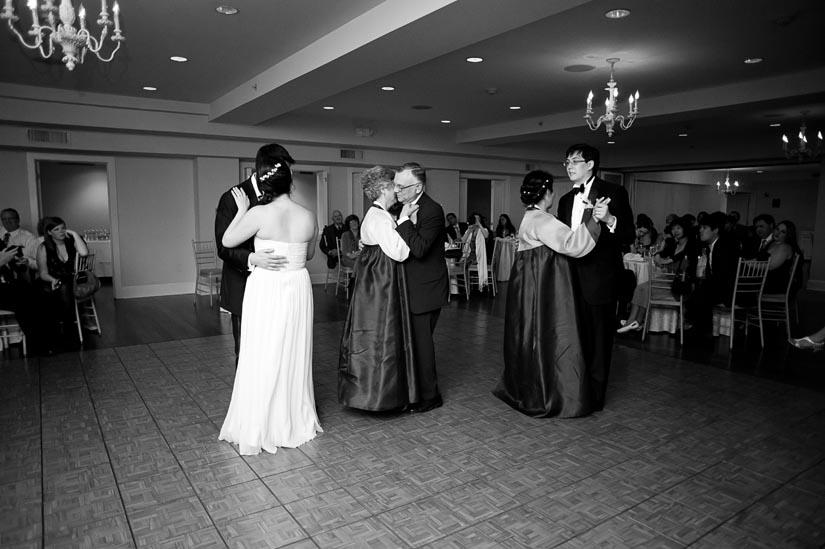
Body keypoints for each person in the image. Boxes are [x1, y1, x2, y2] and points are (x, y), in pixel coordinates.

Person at [218, 154, 322, 455]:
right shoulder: (308, 215)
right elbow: (310, 254)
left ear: (265, 185)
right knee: (292, 349)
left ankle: (261, 421)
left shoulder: (258, 214)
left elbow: (227, 241)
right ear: (289, 183)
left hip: (266, 285)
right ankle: (291, 418)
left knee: (263, 349)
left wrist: (241, 211)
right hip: (297, 285)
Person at [493, 171, 608, 417]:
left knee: (529, 335)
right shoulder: (544, 221)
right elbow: (573, 246)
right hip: (543, 289)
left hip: (529, 288)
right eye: (552, 190)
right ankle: (551, 392)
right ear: (547, 193)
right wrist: (594, 219)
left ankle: (526, 386)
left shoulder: (530, 217)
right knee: (551, 334)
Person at [557, 143, 634, 411]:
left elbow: (628, 235)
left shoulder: (613, 192)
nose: (569, 165)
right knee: (573, 337)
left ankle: (595, 397)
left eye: (575, 161)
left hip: (600, 280)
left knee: (599, 341)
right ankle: (573, 390)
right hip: (570, 279)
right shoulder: (566, 200)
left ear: (590, 165)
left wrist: (610, 219)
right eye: (566, 161)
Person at [339, 167, 417, 411]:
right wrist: (404, 220)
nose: (397, 190)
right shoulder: (381, 218)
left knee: (373, 333)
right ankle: (380, 395)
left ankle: (370, 391)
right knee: (384, 333)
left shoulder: (373, 215)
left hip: (373, 282)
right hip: (382, 283)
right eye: (394, 185)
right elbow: (401, 253)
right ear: (383, 188)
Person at [215, 144, 291, 363]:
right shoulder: (232, 197)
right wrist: (252, 259)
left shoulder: (280, 196)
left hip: (276, 285)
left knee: (275, 348)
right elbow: (223, 247)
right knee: (246, 350)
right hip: (242, 284)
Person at [394, 162, 449, 413]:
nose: (396, 190)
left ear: (417, 187)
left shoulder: (432, 210)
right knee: (413, 343)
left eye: (401, 186)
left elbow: (419, 249)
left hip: (427, 288)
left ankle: (430, 396)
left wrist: (404, 221)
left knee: (422, 345)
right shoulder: (401, 207)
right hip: (410, 286)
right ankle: (414, 391)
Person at [618, 216, 697, 333]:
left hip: (680, 285)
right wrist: (659, 256)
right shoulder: (674, 244)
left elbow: (681, 261)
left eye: (678, 228)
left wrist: (667, 260)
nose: (675, 231)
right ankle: (633, 322)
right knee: (640, 288)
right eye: (673, 228)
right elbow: (659, 254)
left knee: (645, 289)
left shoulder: (691, 245)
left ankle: (636, 322)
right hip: (668, 280)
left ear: (685, 229)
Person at [36, 216, 89, 342]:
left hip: (72, 279)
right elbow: (43, 273)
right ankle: (52, 331)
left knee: (64, 287)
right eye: (56, 229)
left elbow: (84, 253)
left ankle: (67, 329)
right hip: (51, 278)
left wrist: (74, 234)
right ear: (49, 232)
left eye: (63, 228)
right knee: (44, 290)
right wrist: (52, 280)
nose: (61, 231)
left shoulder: (72, 241)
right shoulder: (43, 247)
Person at [687, 211, 740, 333]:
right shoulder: (712, 245)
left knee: (701, 293)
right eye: (700, 227)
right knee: (698, 291)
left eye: (705, 228)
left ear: (715, 230)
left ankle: (702, 332)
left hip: (731, 290)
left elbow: (723, 276)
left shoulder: (723, 247)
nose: (700, 230)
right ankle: (700, 331)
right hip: (720, 286)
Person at [762, 220, 802, 294]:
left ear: (788, 235)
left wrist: (749, 264)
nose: (778, 233)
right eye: (777, 229)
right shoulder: (773, 243)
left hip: (777, 284)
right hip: (768, 279)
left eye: (783, 232)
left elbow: (770, 266)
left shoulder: (785, 247)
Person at [1, 208, 37, 272]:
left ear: (18, 220)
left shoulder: (29, 238)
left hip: (19, 275)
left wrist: (26, 262)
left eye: (11, 218)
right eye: (4, 219)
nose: (7, 221)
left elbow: (38, 261)